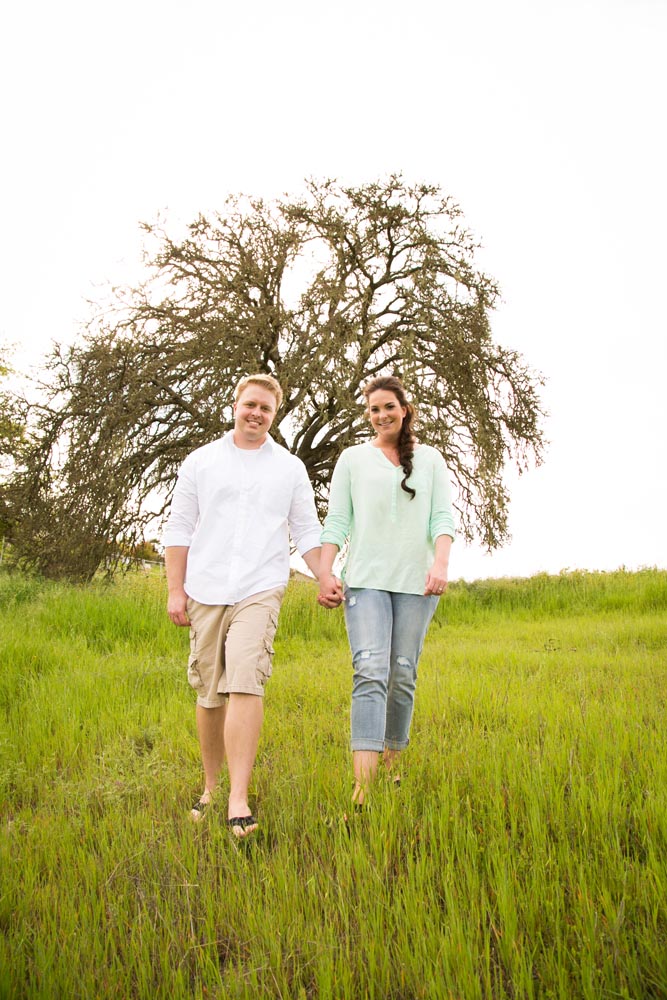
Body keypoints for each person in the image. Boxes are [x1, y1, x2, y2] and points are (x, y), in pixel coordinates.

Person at [163, 373, 339, 836]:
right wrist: (174, 590)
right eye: (251, 405)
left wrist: (325, 575)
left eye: (266, 408)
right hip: (206, 586)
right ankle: (211, 786)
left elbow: (306, 530)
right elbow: (179, 528)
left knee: (246, 679)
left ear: (274, 416)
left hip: (261, 586)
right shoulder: (201, 462)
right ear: (235, 404)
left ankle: (238, 799)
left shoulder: (288, 468)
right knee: (209, 690)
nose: (256, 413)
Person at [318, 375, 455, 809]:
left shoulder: (431, 460)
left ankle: (394, 763)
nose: (382, 416)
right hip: (366, 581)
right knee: (369, 670)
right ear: (368, 414)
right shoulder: (352, 460)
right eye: (374, 409)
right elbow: (337, 520)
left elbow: (442, 519)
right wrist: (326, 571)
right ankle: (362, 787)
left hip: (417, 583)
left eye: (389, 407)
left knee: (402, 673)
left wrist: (440, 564)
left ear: (404, 409)